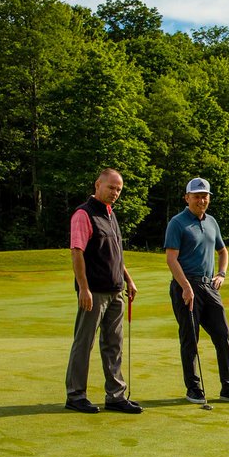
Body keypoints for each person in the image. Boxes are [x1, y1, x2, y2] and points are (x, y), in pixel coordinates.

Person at [165, 177, 229, 405]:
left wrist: (221, 274)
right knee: (190, 339)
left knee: (223, 336)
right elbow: (171, 259)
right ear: (187, 198)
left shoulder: (212, 222)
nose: (201, 200)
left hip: (209, 287)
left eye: (205, 196)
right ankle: (193, 388)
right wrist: (185, 287)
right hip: (185, 285)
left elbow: (223, 251)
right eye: (197, 196)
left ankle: (228, 387)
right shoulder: (177, 222)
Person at [64, 169, 142, 414]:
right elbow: (77, 252)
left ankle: (116, 396)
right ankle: (75, 395)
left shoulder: (111, 215)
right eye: (111, 187)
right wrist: (84, 288)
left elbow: (116, 255)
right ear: (98, 184)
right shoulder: (83, 214)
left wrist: (128, 280)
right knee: (83, 343)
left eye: (118, 189)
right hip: (94, 292)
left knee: (113, 345)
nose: (115, 193)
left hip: (116, 291)